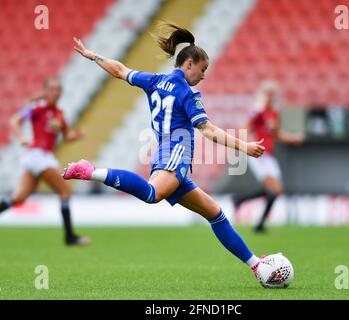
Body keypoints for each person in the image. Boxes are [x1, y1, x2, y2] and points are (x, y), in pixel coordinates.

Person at [63, 23, 269, 280]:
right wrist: (244, 146)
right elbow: (207, 130)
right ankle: (91, 172)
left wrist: (94, 56)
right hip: (175, 152)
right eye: (203, 69)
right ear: (189, 63)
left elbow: (120, 70)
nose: (203, 75)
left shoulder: (155, 80)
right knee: (152, 194)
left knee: (215, 214)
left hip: (169, 152)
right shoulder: (188, 93)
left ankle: (257, 266)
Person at [0, 78, 91, 246]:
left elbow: (65, 136)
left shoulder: (59, 114)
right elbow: (15, 121)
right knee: (65, 192)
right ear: (46, 91)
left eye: (58, 89)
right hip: (38, 156)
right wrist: (21, 138)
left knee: (19, 198)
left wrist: (76, 136)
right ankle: (70, 237)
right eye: (52, 89)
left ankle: (70, 237)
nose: (55, 92)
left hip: (39, 157)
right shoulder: (38, 108)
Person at [233, 80, 304, 233]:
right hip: (258, 154)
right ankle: (259, 225)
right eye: (268, 94)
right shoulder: (258, 112)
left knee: (276, 191)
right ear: (263, 95)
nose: (270, 98)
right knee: (273, 190)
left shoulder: (274, 114)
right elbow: (245, 128)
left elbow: (277, 136)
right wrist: (247, 145)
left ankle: (240, 200)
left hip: (269, 155)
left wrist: (293, 138)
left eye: (272, 95)